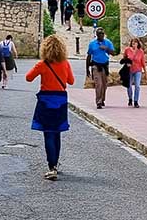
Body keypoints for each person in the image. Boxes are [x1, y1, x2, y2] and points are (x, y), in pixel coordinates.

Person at [26, 35, 75, 181]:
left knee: (48, 133)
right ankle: (55, 165)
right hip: (60, 99)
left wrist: (40, 68)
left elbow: (28, 78)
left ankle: (51, 165)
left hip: (46, 99)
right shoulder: (65, 63)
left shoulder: (42, 64)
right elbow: (71, 81)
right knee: (57, 131)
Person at [85, 27, 116, 109]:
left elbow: (113, 53)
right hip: (95, 66)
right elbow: (89, 56)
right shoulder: (92, 44)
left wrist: (106, 48)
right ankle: (98, 101)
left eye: (102, 34)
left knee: (104, 85)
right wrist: (87, 69)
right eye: (99, 34)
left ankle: (102, 99)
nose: (101, 35)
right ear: (97, 35)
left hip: (105, 66)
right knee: (98, 84)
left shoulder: (108, 43)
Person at [123, 38, 147, 108]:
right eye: (133, 42)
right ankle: (130, 98)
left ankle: (136, 101)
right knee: (129, 85)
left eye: (135, 42)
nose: (134, 44)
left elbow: (143, 62)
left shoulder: (141, 52)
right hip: (129, 70)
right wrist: (126, 63)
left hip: (138, 70)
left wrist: (145, 72)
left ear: (138, 44)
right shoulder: (127, 50)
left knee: (137, 86)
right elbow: (124, 58)